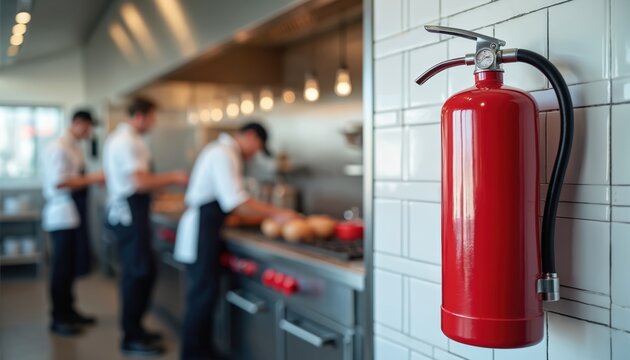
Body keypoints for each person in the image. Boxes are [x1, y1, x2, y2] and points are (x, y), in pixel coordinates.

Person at [175, 122, 298, 360]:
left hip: (207, 228)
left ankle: (202, 351)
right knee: (201, 297)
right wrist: (278, 213)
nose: (254, 154)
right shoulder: (224, 153)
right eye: (257, 147)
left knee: (204, 295)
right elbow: (235, 200)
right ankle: (194, 355)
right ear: (250, 136)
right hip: (201, 229)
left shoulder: (221, 151)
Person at [103, 97, 188, 356]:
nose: (154, 123)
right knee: (137, 274)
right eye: (153, 117)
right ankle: (132, 335)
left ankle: (136, 328)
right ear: (140, 116)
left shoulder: (120, 139)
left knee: (141, 272)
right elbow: (139, 182)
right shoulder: (128, 142)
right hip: (130, 215)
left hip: (129, 212)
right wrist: (174, 176)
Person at [42, 110, 104, 336]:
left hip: (73, 211)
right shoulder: (58, 147)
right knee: (60, 267)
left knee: (69, 266)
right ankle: (58, 317)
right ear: (78, 123)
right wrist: (94, 178)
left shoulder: (73, 146)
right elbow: (59, 182)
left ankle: (69, 310)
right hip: (61, 213)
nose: (90, 132)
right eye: (88, 127)